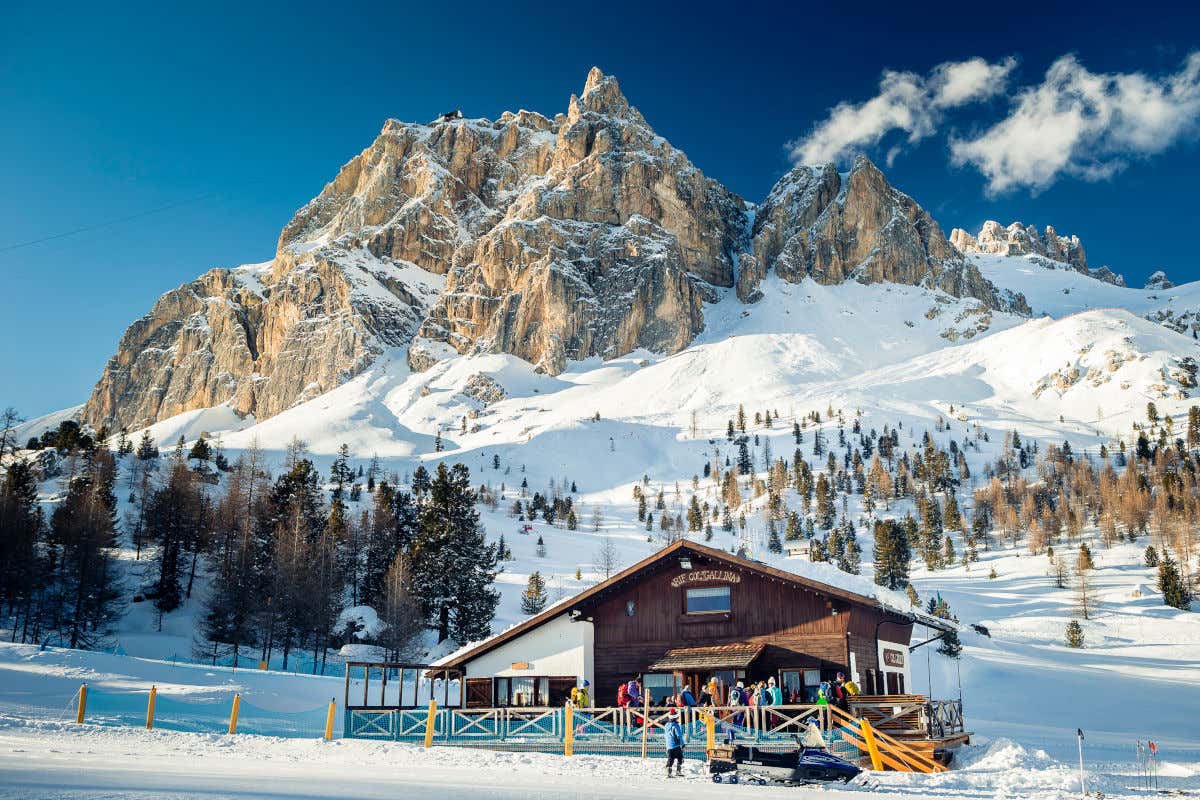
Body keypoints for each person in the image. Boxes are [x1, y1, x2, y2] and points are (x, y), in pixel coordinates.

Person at [663, 708, 684, 777]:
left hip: (669, 745)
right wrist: (682, 744)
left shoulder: (666, 725)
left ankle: (668, 772)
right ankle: (678, 771)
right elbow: (679, 735)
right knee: (680, 758)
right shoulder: (675, 725)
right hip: (676, 745)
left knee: (670, 759)